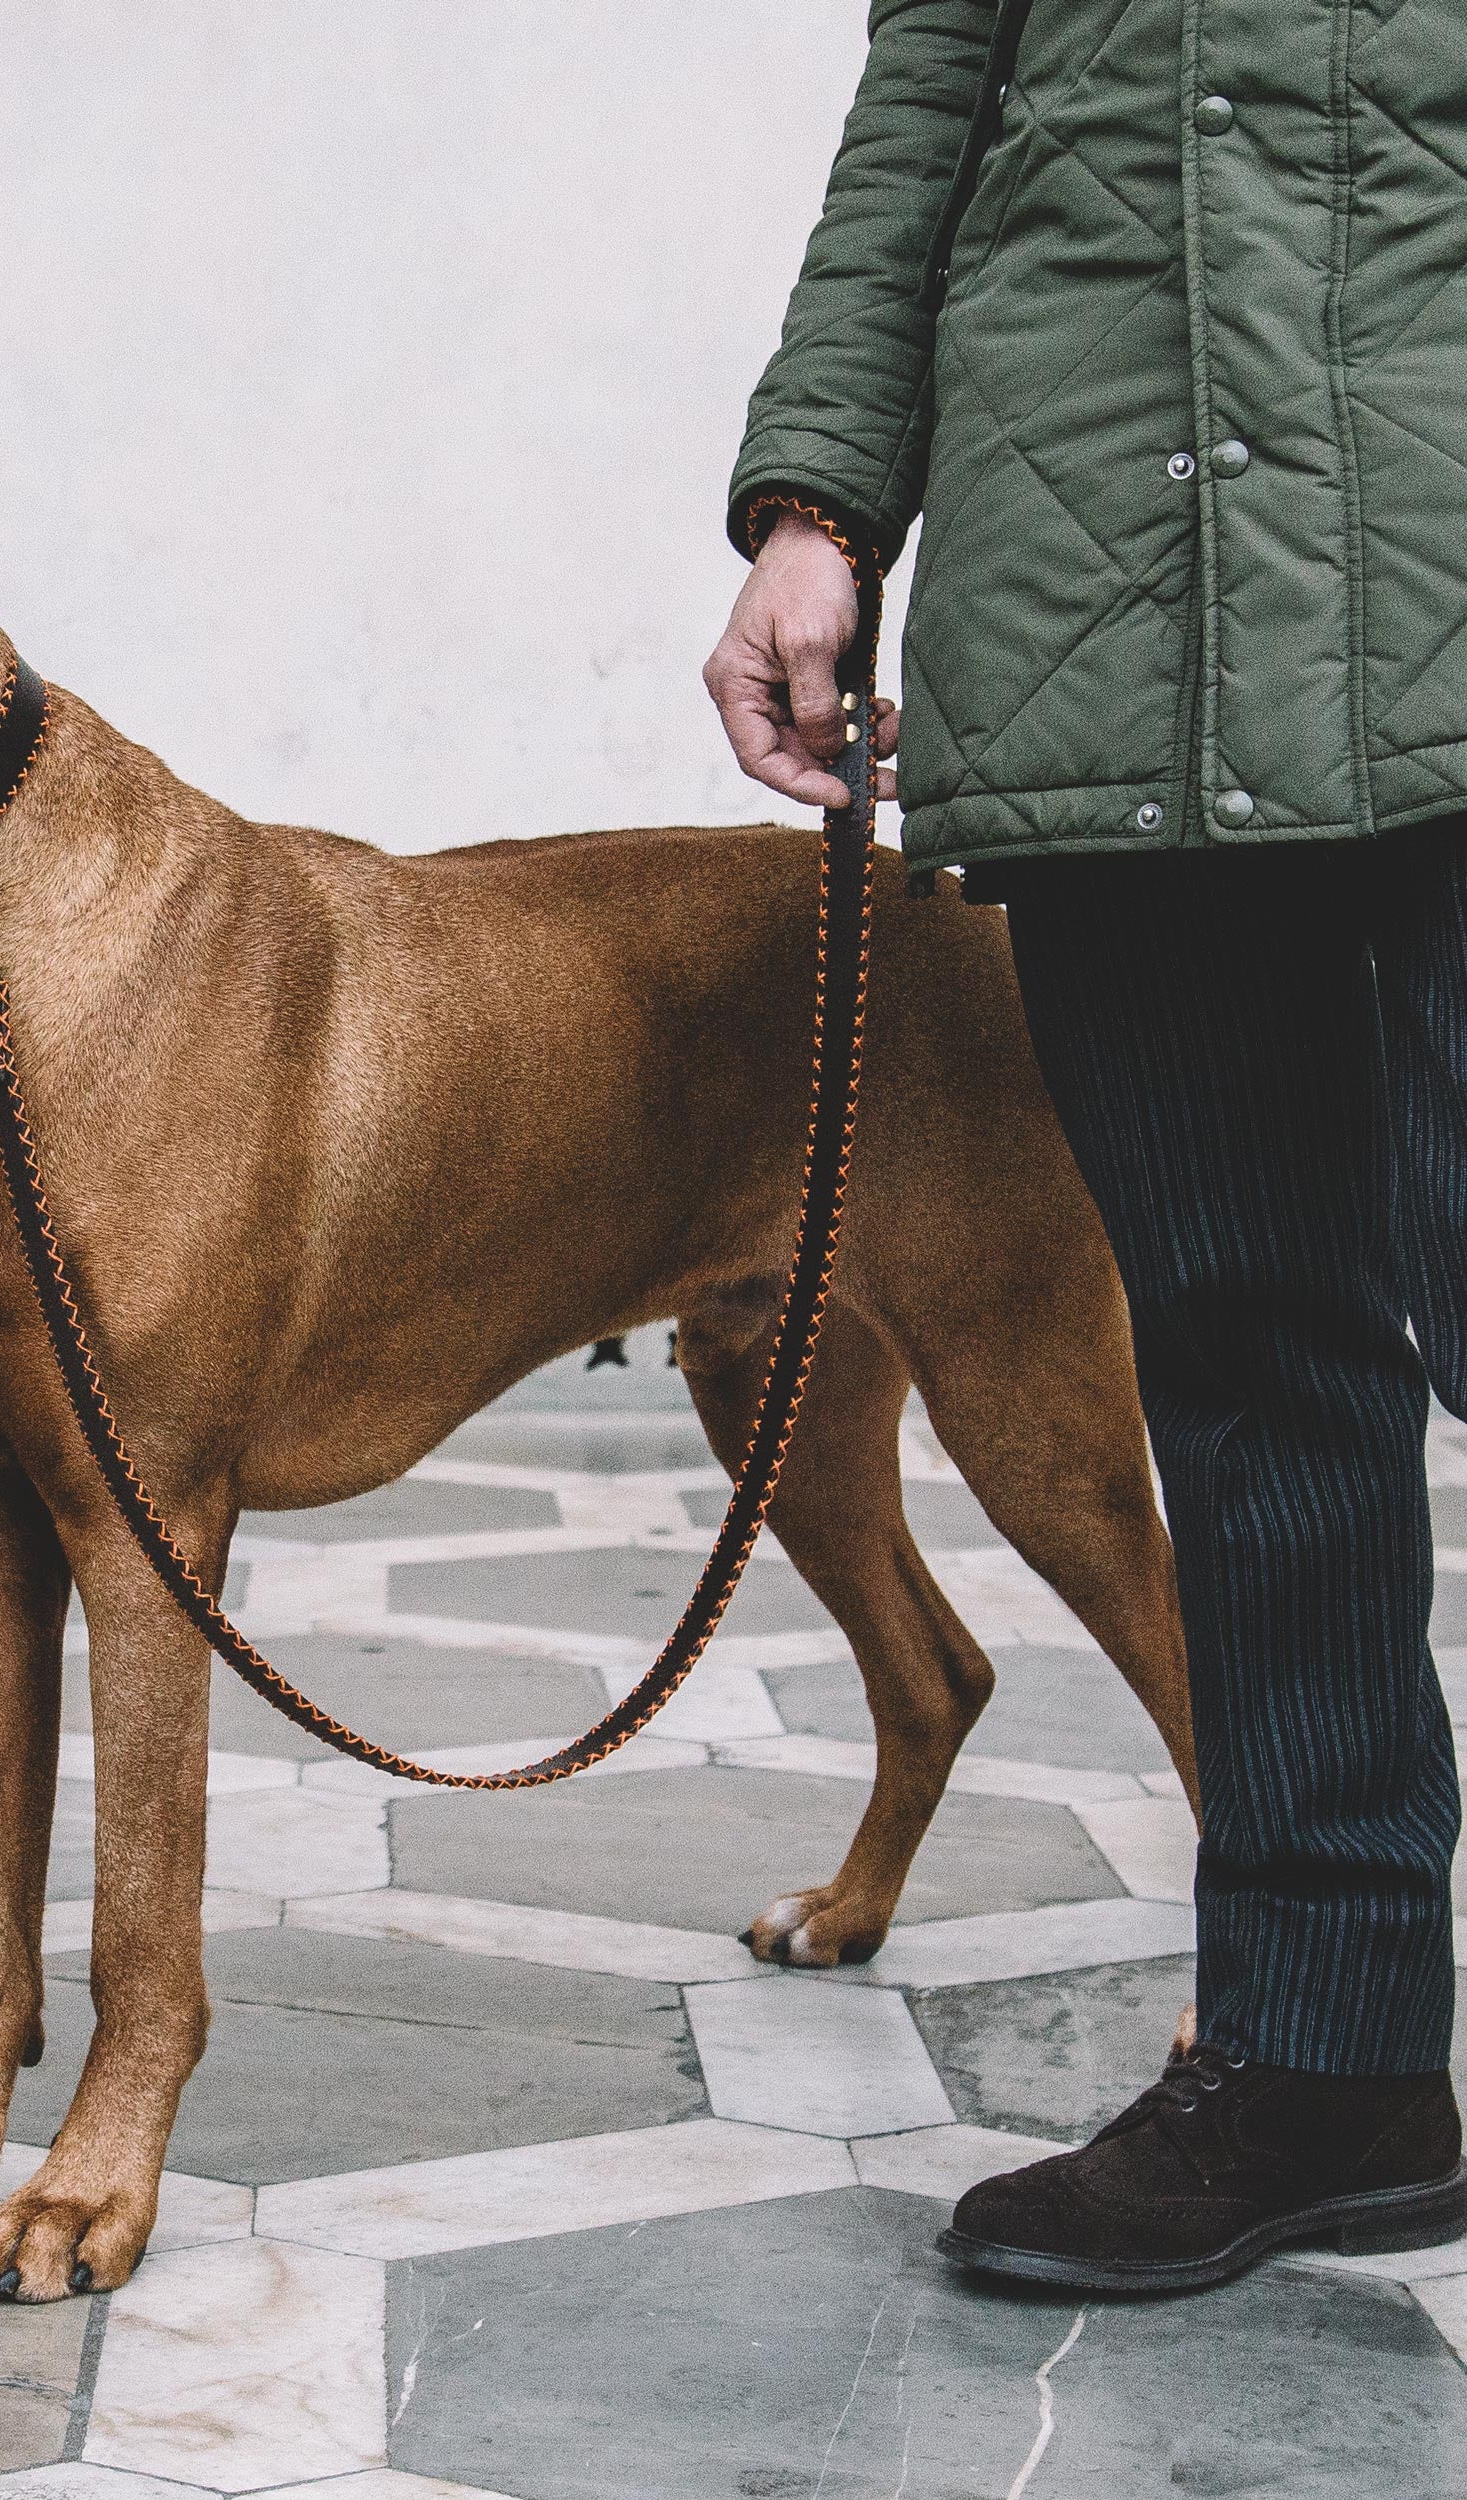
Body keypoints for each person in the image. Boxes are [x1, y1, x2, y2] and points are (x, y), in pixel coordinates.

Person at [705, 0, 1467, 2293]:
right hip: (1098, 632)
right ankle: (1323, 2052)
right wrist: (813, 510)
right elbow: (927, 106)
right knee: (1246, 1369)